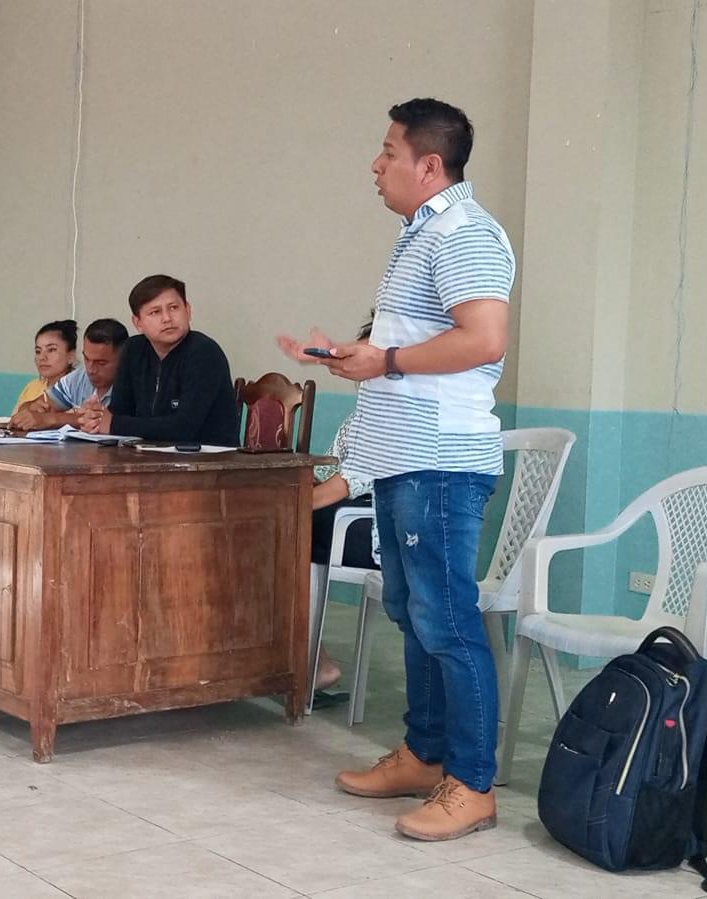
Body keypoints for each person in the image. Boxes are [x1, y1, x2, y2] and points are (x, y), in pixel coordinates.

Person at [278, 98, 514, 842]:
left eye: (388, 152)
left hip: (439, 461)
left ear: (429, 165)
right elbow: (413, 351)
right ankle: (423, 753)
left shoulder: (465, 232)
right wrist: (361, 358)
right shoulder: (422, 234)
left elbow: (484, 339)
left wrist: (385, 360)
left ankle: (471, 784)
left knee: (448, 621)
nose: (375, 165)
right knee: (414, 614)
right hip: (402, 457)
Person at [76, 275, 240, 446]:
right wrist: (95, 417)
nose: (167, 318)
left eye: (174, 308)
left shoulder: (204, 352)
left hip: (209, 457)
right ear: (137, 323)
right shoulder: (133, 349)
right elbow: (120, 411)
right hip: (148, 454)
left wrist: (113, 424)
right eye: (155, 312)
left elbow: (184, 428)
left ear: (188, 310)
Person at [309, 323, 381, 695]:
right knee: (270, 533)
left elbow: (351, 480)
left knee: (280, 533)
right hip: (343, 513)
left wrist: (296, 503)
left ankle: (313, 663)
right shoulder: (359, 418)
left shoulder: (398, 420)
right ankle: (305, 659)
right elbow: (329, 469)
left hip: (374, 530)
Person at [10, 318, 127, 431]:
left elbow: (105, 421)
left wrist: (52, 419)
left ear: (123, 359)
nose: (91, 370)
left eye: (101, 363)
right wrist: (30, 410)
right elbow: (36, 405)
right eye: (87, 359)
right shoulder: (78, 378)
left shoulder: (132, 383)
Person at [12, 319, 80, 415]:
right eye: (38, 351)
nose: (42, 357)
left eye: (51, 350)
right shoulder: (32, 387)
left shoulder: (80, 389)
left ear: (71, 356)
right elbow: (14, 420)